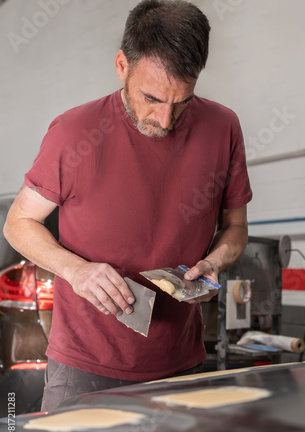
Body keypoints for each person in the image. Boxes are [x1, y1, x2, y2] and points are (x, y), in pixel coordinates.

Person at [4, 0, 252, 411]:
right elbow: (18, 222)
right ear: (122, 65)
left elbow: (236, 227)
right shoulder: (73, 132)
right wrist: (76, 270)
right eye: (152, 98)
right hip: (83, 367)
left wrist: (214, 264)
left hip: (182, 366)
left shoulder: (223, 127)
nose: (166, 119)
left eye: (182, 101)